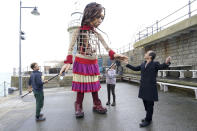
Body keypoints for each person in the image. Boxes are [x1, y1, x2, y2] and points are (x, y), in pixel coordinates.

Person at [60, 2, 128, 118]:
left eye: (102, 18)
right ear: (89, 15)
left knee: (94, 87)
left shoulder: (96, 34)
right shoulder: (78, 31)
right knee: (81, 88)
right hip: (81, 63)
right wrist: (68, 62)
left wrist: (114, 54)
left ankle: (96, 104)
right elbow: (70, 48)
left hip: (93, 63)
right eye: (98, 17)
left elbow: (107, 47)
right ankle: (78, 105)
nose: (100, 20)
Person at [124, 50, 171, 127]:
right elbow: (136, 68)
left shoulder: (155, 64)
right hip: (143, 87)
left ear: (150, 56)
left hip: (150, 88)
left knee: (150, 105)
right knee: (145, 103)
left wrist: (166, 63)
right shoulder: (143, 63)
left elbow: (162, 66)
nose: (145, 54)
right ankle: (148, 116)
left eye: (147, 53)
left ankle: (148, 120)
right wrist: (127, 64)